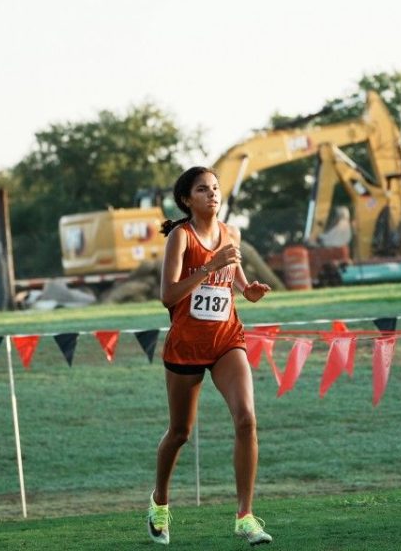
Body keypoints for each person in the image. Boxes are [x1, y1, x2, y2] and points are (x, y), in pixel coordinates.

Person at [147, 166, 273, 546]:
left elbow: (234, 278)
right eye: (203, 189)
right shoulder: (181, 238)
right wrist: (209, 267)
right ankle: (159, 502)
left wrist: (248, 290)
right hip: (186, 344)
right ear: (187, 199)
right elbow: (168, 297)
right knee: (180, 432)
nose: (212, 194)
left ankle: (245, 517)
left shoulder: (230, 233)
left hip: (226, 340)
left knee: (247, 419)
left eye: (216, 188)